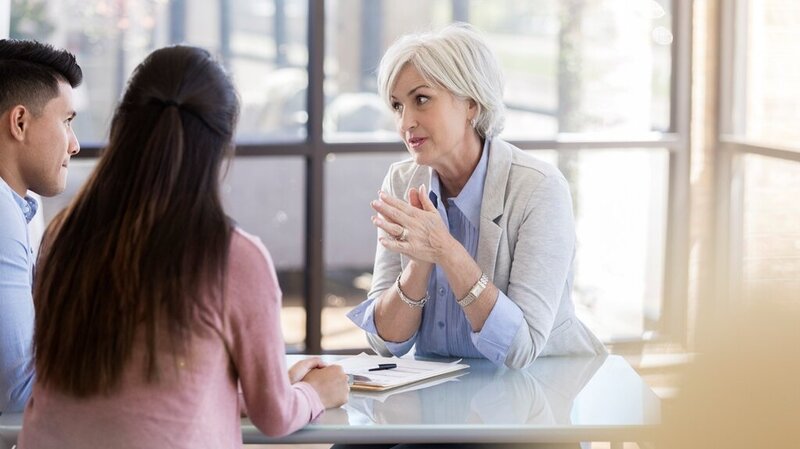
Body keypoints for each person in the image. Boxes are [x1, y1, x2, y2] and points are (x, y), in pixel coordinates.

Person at [18, 46, 348, 448]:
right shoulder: (233, 255)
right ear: (221, 141)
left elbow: (126, 396)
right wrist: (317, 393)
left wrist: (253, 391)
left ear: (122, 127)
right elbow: (275, 416)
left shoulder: (63, 234)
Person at [348, 23, 606, 370]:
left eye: (421, 99)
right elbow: (384, 342)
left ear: (470, 103)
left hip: (543, 389)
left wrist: (446, 250)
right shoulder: (403, 180)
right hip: (438, 395)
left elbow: (520, 350)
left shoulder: (539, 188)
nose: (405, 122)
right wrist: (420, 262)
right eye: (397, 106)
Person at [0, 39, 82, 414]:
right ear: (19, 122)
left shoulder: (20, 207)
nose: (75, 145)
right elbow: (17, 391)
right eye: (66, 121)